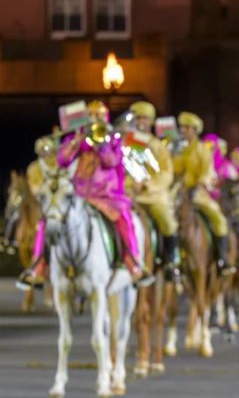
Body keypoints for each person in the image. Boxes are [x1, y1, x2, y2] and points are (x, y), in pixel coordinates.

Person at [56, 101, 152, 286]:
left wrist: (102, 144)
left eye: (99, 116)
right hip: (80, 194)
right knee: (50, 218)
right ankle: (39, 265)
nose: (95, 120)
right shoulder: (76, 137)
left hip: (108, 195)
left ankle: (133, 263)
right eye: (92, 116)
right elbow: (62, 160)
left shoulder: (114, 138)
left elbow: (112, 161)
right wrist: (77, 140)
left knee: (124, 219)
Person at [124, 101, 180, 281]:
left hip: (153, 196)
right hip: (130, 195)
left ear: (151, 121)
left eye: (145, 118)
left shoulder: (158, 145)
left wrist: (147, 184)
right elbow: (121, 168)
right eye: (138, 117)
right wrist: (130, 183)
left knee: (167, 222)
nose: (141, 121)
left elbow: (166, 173)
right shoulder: (128, 142)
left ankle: (171, 261)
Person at [172, 112, 234, 274]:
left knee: (219, 219)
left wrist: (198, 185)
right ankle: (170, 256)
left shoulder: (202, 149)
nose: (183, 130)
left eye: (187, 127)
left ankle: (222, 259)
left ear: (195, 130)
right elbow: (176, 170)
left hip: (198, 192)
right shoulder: (181, 150)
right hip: (181, 191)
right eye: (182, 127)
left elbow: (207, 172)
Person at [16, 134, 60, 288]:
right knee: (23, 216)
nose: (45, 152)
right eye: (42, 150)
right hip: (42, 203)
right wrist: (43, 189)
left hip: (59, 204)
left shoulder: (58, 165)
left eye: (48, 149)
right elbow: (34, 187)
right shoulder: (34, 167)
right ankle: (36, 266)